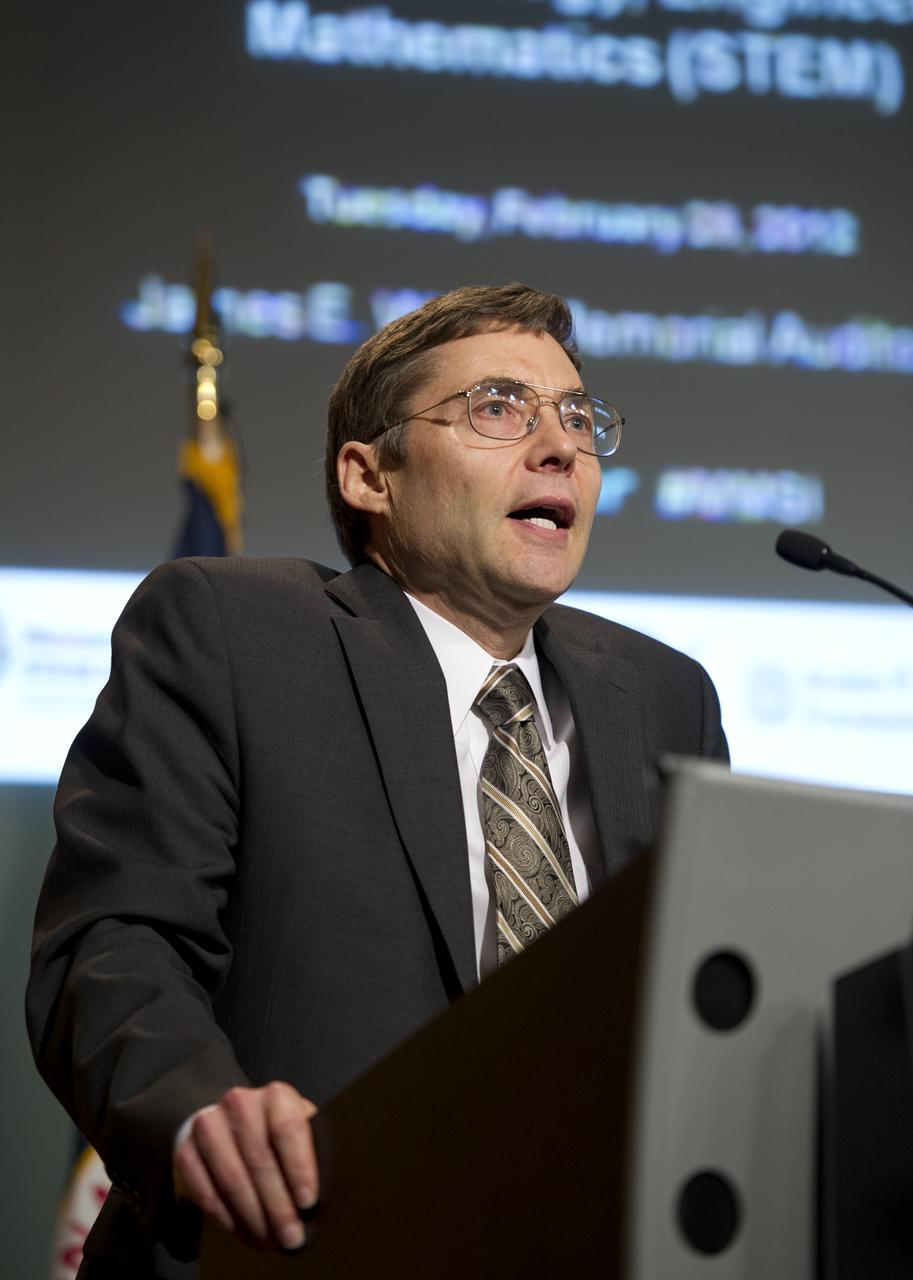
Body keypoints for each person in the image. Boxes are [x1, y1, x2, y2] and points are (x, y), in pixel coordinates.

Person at [27, 283, 728, 1277]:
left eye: (577, 416)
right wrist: (196, 1115)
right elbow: (115, 941)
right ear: (368, 474)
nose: (559, 444)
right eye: (498, 407)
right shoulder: (237, 634)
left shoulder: (662, 695)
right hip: (298, 1244)